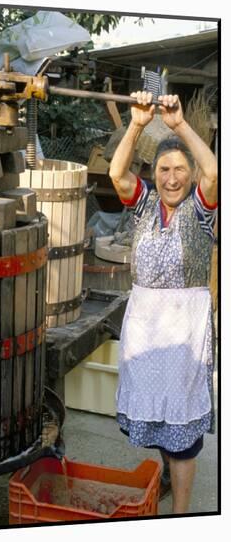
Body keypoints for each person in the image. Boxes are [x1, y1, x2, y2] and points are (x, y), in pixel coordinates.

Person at [109, 91, 217, 514]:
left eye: (179, 171)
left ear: (189, 176)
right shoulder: (145, 204)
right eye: (164, 170)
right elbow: (117, 172)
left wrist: (177, 126)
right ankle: (166, 474)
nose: (172, 178)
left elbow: (214, 170)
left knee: (184, 435)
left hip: (185, 333)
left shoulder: (201, 209)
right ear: (155, 174)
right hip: (148, 328)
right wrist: (136, 124)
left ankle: (181, 516)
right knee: (156, 422)